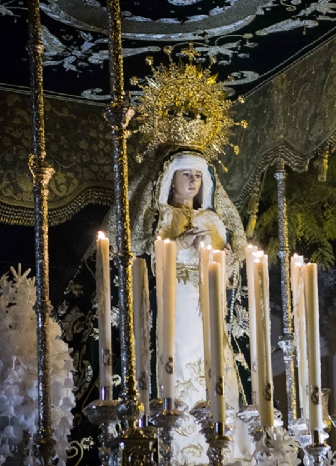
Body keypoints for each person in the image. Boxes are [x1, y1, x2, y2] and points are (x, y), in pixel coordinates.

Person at [108, 149, 250, 464]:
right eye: (187, 174)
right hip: (177, 308)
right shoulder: (161, 216)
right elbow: (150, 262)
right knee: (180, 366)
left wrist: (225, 262)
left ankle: (221, 444)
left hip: (209, 309)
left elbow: (230, 277)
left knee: (215, 367)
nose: (193, 181)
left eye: (198, 176)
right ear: (171, 180)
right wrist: (181, 243)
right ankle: (178, 446)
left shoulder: (212, 219)